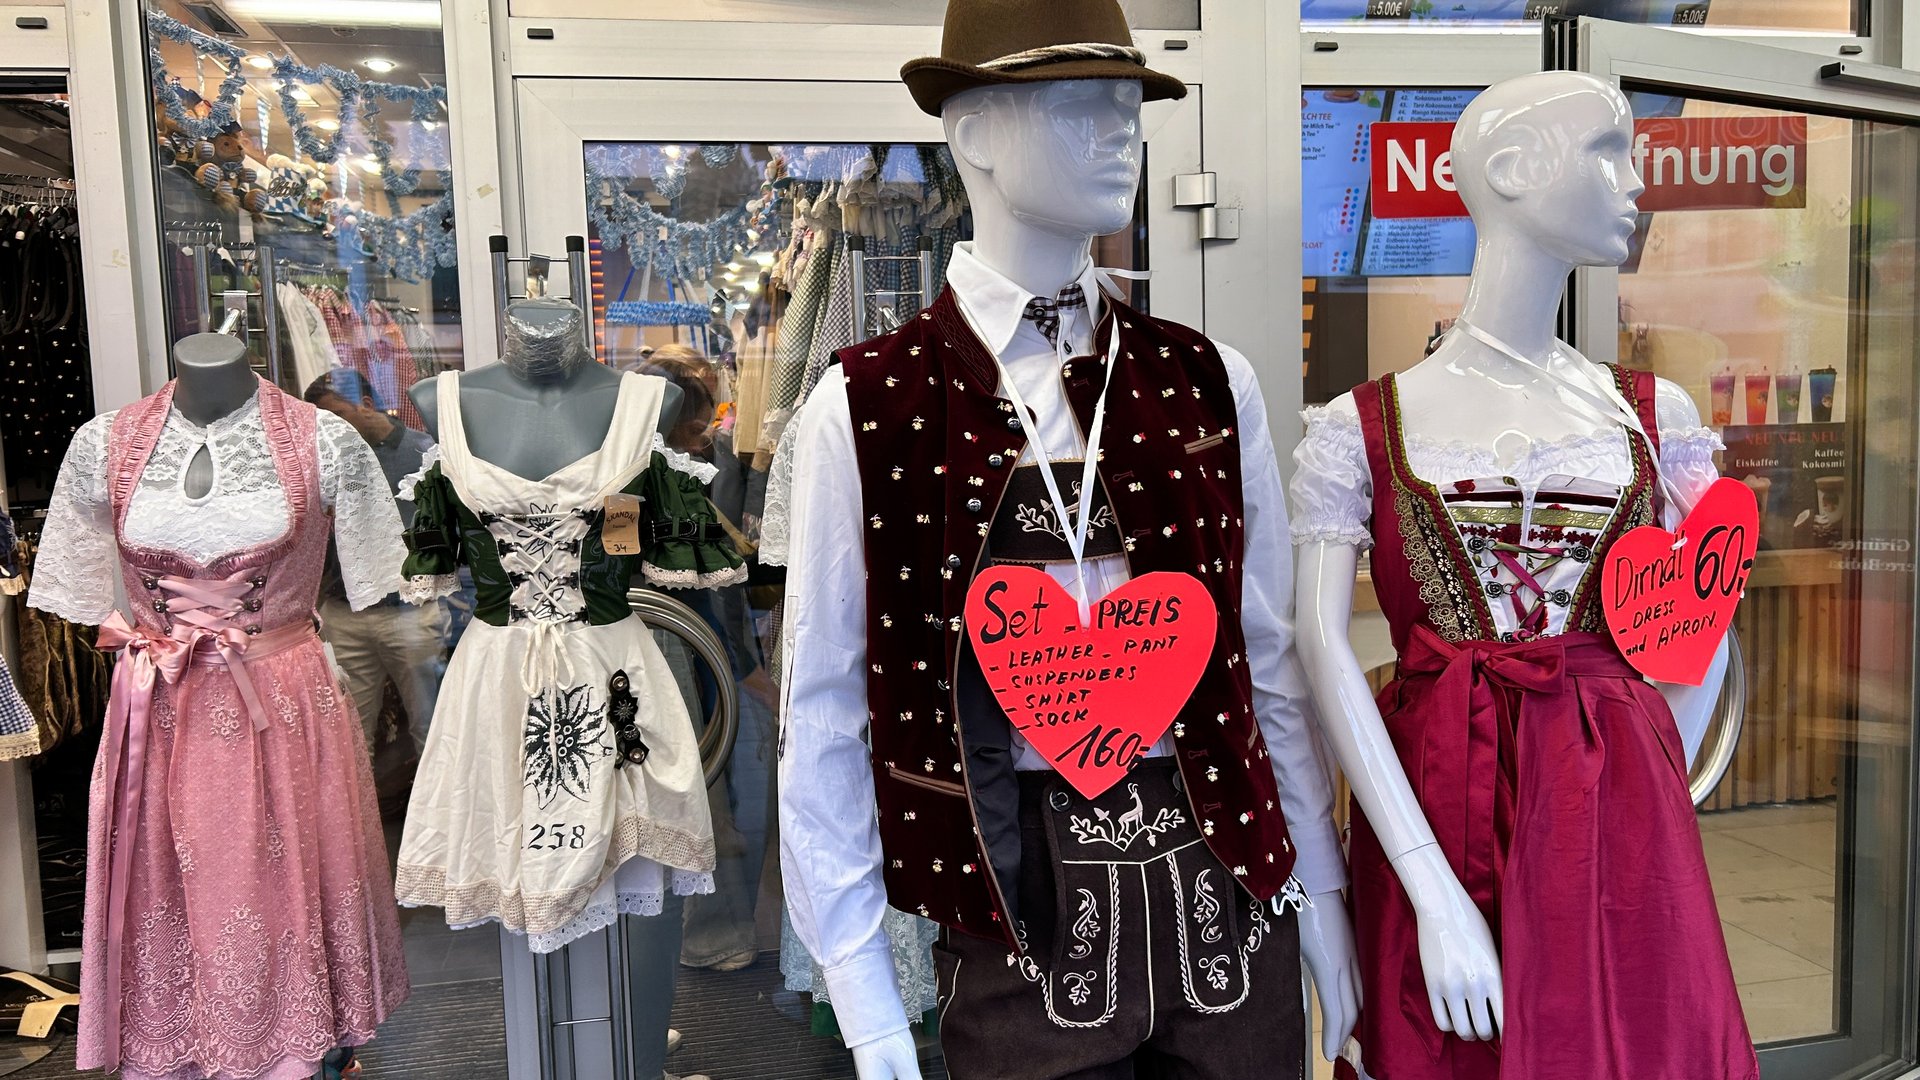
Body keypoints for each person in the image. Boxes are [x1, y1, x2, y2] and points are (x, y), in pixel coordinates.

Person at [305, 369, 448, 791]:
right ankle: (357, 842)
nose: (328, 429)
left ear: (366, 403)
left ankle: (437, 837)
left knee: (433, 731)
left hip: (410, 611)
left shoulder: (424, 454)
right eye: (321, 421)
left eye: (335, 415)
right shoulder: (320, 460)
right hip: (343, 614)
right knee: (347, 739)